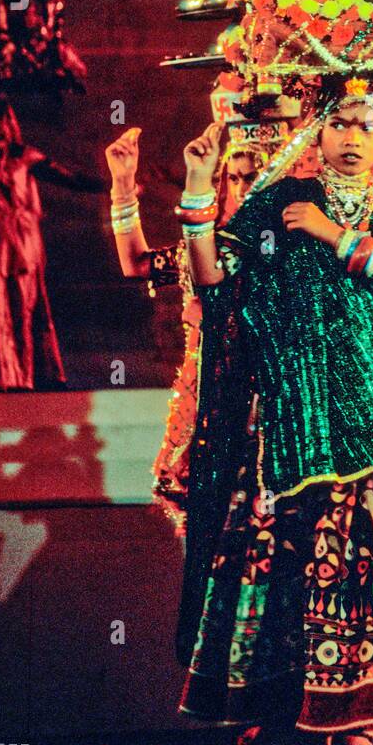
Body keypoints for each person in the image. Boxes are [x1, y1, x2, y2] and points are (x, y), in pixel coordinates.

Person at [174, 84, 373, 745]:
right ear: (316, 137)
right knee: (282, 568)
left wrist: (337, 237)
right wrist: (197, 185)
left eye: (366, 126)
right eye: (340, 125)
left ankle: (351, 725)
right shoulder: (274, 206)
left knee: (360, 573)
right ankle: (279, 718)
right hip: (292, 423)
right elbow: (212, 275)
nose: (352, 138)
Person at [104, 125, 261, 534]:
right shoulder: (205, 246)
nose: (243, 187)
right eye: (235, 177)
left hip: (273, 401)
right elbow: (138, 264)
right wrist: (123, 185)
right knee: (215, 531)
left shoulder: (295, 250)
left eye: (255, 177)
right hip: (208, 396)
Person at [0, 99, 101, 391]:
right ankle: (7, 374)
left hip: (21, 241)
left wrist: (114, 185)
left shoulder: (24, 157)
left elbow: (70, 178)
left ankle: (25, 375)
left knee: (23, 303)